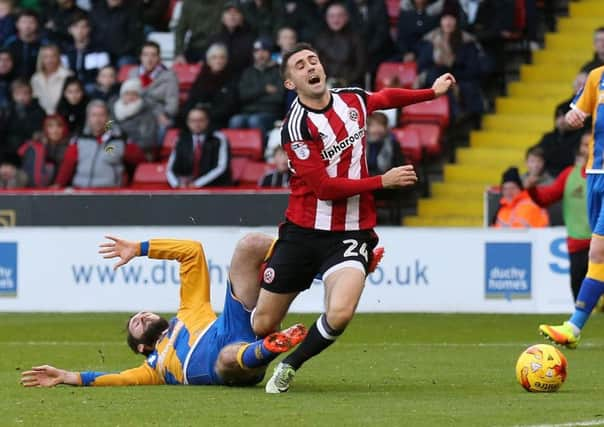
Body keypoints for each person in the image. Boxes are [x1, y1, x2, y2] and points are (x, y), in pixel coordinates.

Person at [251, 43, 455, 393]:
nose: (310, 66)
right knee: (263, 324)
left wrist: (430, 93)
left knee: (340, 313)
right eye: (300, 65)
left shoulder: (352, 99)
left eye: (313, 60)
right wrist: (382, 181)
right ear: (290, 83)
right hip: (302, 231)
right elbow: (325, 188)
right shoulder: (296, 127)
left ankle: (289, 365)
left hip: (351, 232)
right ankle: (238, 345)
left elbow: (384, 97)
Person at [20, 233, 309, 387]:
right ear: (143, 346)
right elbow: (119, 378)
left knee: (249, 245)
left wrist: (140, 248)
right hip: (230, 364)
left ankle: (309, 260)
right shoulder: (155, 367)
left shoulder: (188, 309)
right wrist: (70, 377)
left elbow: (192, 252)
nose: (141, 315)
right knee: (227, 357)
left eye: (141, 313)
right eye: (136, 323)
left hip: (232, 325)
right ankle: (270, 346)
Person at [539, 64, 604, 349]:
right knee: (599, 256)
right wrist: (573, 115)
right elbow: (574, 112)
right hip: (595, 174)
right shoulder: (597, 77)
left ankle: (574, 326)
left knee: (598, 252)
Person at [527, 133, 591, 301]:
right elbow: (545, 198)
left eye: (593, 143)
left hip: (600, 246)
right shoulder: (569, 175)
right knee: (580, 300)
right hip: (577, 245)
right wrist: (532, 189)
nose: (589, 147)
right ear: (580, 149)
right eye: (585, 144)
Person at [54, 99, 144, 188]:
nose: (98, 119)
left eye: (101, 115)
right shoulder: (79, 139)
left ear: (108, 118)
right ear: (88, 118)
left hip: (110, 193)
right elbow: (67, 167)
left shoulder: (119, 139)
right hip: (81, 191)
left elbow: (140, 163)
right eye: (94, 115)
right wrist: (58, 185)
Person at [228, 37, 284, 139]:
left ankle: (262, 153)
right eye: (257, 51)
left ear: (270, 52)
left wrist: (253, 96)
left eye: (264, 51)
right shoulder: (248, 72)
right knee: (235, 120)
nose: (260, 54)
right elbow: (242, 96)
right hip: (247, 112)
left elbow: (278, 98)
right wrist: (264, 90)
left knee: (255, 121)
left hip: (270, 113)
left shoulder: (279, 72)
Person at [167, 106, 232, 189]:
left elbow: (221, 167)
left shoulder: (218, 138)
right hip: (186, 187)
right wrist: (176, 184)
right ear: (187, 122)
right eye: (193, 121)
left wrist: (197, 184)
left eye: (200, 120)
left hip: (215, 187)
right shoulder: (181, 139)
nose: (196, 124)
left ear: (207, 121)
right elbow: (170, 169)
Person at [127, 40, 178, 143]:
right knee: (109, 125)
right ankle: (109, 154)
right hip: (133, 113)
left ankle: (149, 157)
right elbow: (125, 99)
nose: (149, 59)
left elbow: (173, 104)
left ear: (159, 58)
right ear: (141, 57)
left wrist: (163, 114)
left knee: (157, 129)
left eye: (153, 55)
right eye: (145, 55)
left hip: (158, 117)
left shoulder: (169, 76)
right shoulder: (133, 73)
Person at [181, 43, 237, 130]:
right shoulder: (202, 77)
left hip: (217, 119)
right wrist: (191, 113)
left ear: (226, 60)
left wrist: (204, 114)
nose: (218, 61)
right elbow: (192, 99)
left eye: (222, 57)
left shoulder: (232, 78)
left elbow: (228, 106)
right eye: (214, 57)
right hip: (197, 116)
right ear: (208, 60)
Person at [314, 2, 366, 88]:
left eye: (340, 16)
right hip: (325, 82)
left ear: (346, 17)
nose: (336, 19)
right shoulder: (320, 38)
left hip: (350, 82)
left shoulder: (356, 38)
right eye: (332, 16)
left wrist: (346, 80)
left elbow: (361, 66)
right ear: (326, 19)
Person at [111, 78, 158, 161]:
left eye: (134, 94)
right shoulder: (114, 109)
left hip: (139, 150)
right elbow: (107, 128)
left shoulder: (146, 113)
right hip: (116, 146)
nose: (130, 97)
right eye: (127, 93)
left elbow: (148, 139)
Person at [61, 13, 110, 92]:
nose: (80, 31)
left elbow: (104, 72)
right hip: (71, 88)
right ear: (70, 29)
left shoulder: (99, 50)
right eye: (76, 27)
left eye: (83, 27)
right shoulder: (65, 51)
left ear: (89, 29)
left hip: (93, 87)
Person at [205, 2, 256, 78]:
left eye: (236, 12)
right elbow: (207, 65)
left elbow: (252, 66)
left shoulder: (250, 39)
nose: (232, 15)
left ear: (242, 17)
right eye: (228, 12)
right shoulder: (213, 39)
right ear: (222, 17)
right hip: (218, 80)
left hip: (242, 81)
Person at [18, 114, 70, 186]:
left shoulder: (69, 146)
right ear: (45, 128)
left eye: (59, 126)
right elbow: (21, 153)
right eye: (50, 126)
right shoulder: (37, 144)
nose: (55, 130)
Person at [90, 0, 143, 67]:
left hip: (124, 53)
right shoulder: (97, 9)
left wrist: (122, 50)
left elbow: (135, 37)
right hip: (101, 52)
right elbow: (92, 33)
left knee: (124, 63)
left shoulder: (131, 11)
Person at [1, 78, 45, 155]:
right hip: (8, 150)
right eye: (18, 93)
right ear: (12, 95)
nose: (21, 97)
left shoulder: (39, 111)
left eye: (25, 93)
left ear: (31, 94)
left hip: (30, 150)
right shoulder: (6, 111)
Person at [30, 44, 73, 114]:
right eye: (46, 57)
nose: (49, 60)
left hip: (63, 115)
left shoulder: (67, 75)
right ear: (41, 59)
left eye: (53, 56)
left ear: (58, 57)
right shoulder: (35, 78)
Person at [3, 9, 46, 79]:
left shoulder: (43, 44)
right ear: (17, 24)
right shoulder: (9, 43)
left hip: (37, 82)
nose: (27, 26)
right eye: (24, 22)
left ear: (37, 24)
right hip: (12, 83)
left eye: (31, 22)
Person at [365, 112, 405, 176]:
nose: (376, 129)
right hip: (366, 178)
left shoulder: (393, 143)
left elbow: (399, 165)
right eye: (373, 125)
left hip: (387, 179)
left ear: (386, 128)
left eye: (380, 125)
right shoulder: (361, 144)